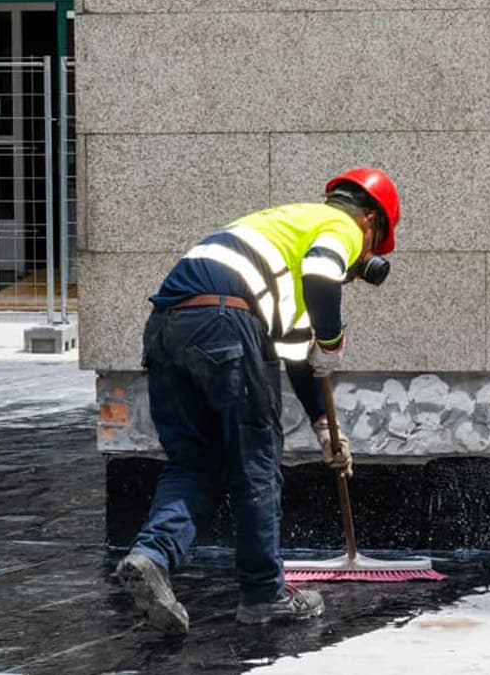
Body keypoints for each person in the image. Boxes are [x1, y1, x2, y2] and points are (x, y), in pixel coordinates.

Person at [116, 167, 401, 635]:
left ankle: (150, 558)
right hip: (227, 320)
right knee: (256, 461)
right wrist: (332, 340)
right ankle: (265, 595)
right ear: (371, 221)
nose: (361, 262)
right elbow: (321, 275)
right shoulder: (343, 226)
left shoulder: (283, 228)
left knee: (194, 461)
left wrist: (325, 428)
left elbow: (294, 354)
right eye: (371, 250)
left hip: (168, 326)